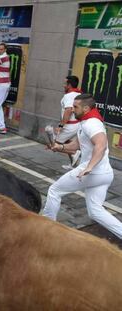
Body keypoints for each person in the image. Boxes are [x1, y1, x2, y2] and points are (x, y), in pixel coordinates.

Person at [42, 94, 122, 239]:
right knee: (95, 211)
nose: (72, 109)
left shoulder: (92, 123)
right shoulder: (86, 122)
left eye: (75, 107)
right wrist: (59, 147)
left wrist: (89, 167)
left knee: (54, 191)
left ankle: (47, 229)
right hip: (104, 174)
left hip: (91, 173)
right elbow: (76, 146)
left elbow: (101, 145)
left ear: (85, 108)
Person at [56, 75, 82, 169]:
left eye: (65, 83)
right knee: (67, 142)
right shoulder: (77, 93)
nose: (63, 85)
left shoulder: (69, 96)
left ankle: (75, 152)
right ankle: (73, 164)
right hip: (76, 124)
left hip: (70, 126)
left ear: (69, 85)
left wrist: (60, 125)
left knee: (55, 144)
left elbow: (68, 111)